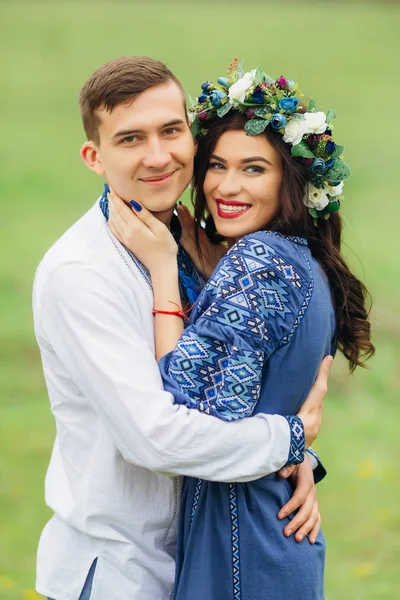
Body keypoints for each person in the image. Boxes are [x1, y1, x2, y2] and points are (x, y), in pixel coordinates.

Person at [33, 56, 331, 600]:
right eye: (130, 139)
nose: (157, 155)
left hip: (206, 562)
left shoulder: (200, 241)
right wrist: (287, 441)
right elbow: (156, 437)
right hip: (122, 574)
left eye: (171, 130)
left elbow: (232, 386)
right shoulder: (82, 273)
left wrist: (295, 462)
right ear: (93, 157)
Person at [107, 60, 375, 599]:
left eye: (253, 169)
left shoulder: (258, 261)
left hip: (240, 551)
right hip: (267, 536)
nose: (226, 186)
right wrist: (295, 448)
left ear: (291, 181)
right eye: (216, 166)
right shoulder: (301, 261)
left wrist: (163, 270)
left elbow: (187, 408)